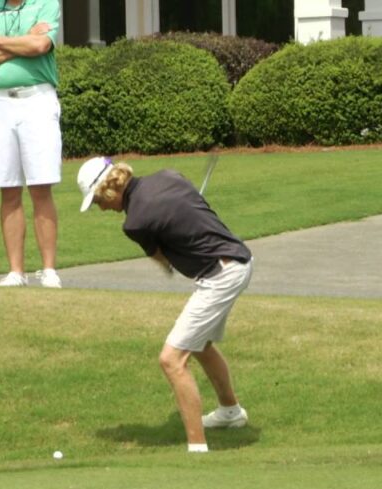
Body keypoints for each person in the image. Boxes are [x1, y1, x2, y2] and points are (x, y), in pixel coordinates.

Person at [78, 157, 254, 453]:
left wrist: (172, 245)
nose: (101, 207)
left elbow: (164, 261)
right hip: (238, 261)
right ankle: (230, 412)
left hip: (221, 275)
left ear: (109, 191)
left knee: (171, 359)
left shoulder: (134, 222)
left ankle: (197, 450)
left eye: (98, 201)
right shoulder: (169, 176)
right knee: (199, 344)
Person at [0, 0, 63, 289]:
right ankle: (16, 271)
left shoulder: (46, 4)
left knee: (40, 186)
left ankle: (48, 269)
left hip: (37, 99)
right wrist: (22, 42)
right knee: (7, 188)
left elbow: (40, 47)